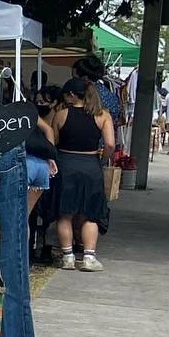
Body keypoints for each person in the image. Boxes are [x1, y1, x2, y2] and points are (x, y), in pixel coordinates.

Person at [52, 77, 113, 271]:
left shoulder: (61, 115)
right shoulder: (103, 115)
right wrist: (102, 160)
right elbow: (110, 144)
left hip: (66, 164)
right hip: (91, 165)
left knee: (65, 214)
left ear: (71, 95)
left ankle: (68, 256)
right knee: (90, 214)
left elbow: (53, 141)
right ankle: (88, 257)